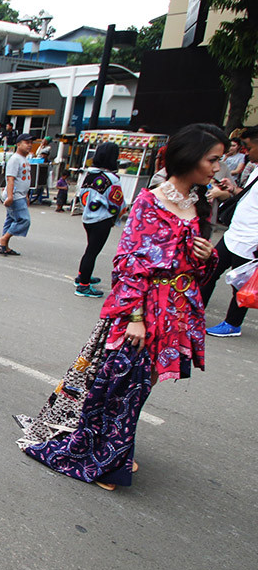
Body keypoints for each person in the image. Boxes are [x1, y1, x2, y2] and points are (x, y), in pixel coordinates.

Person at [17, 123, 223, 491]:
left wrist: (208, 257)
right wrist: (135, 318)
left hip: (176, 312)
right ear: (191, 157)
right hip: (144, 312)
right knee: (120, 389)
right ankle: (99, 458)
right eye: (213, 159)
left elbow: (192, 266)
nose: (218, 167)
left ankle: (114, 450)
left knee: (142, 388)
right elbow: (128, 264)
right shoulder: (151, 201)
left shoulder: (196, 203)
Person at [202, 127, 258, 337]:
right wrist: (232, 190)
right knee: (210, 269)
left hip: (251, 239)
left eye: (249, 147)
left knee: (241, 284)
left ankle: (232, 324)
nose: (247, 152)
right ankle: (196, 309)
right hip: (234, 232)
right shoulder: (256, 168)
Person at [72, 142, 126, 298]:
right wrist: (116, 215)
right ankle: (83, 286)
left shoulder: (90, 174)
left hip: (88, 218)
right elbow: (117, 202)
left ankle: (83, 277)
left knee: (90, 249)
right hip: (101, 220)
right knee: (92, 252)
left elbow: (82, 196)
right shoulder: (111, 178)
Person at [0, 133, 33, 256]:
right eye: (26, 143)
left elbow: (23, 179)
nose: (29, 145)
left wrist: (26, 196)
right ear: (18, 144)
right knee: (24, 219)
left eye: (30, 143)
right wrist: (10, 196)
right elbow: (10, 179)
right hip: (15, 195)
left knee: (11, 220)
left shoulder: (24, 160)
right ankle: (3, 239)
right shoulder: (15, 159)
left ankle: (4, 246)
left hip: (21, 195)